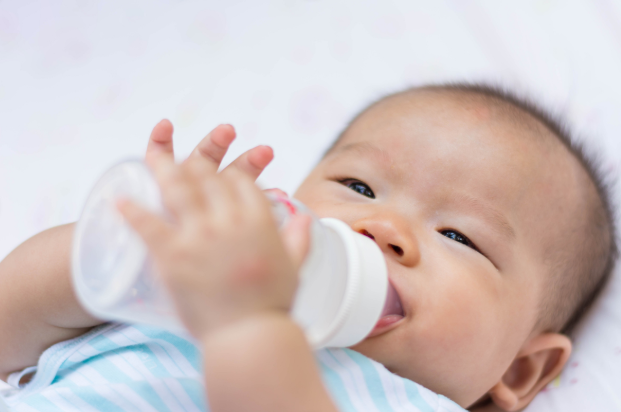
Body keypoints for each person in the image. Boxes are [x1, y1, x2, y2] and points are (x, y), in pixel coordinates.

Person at [0, 83, 616, 412]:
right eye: (358, 186)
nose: (382, 228)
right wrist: (131, 250)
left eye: (458, 236)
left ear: (518, 370)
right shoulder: (180, 296)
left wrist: (245, 325)